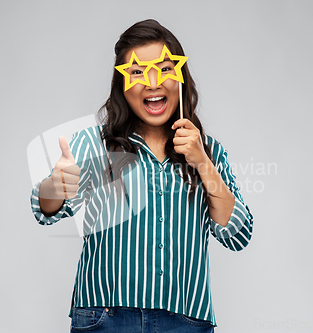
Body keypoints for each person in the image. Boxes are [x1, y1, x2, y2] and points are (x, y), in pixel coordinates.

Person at [31, 19, 253, 333]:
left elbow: (238, 234)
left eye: (164, 69)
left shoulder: (209, 152)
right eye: (137, 72)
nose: (152, 82)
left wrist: (202, 162)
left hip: (185, 320)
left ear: (180, 77)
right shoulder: (94, 143)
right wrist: (56, 185)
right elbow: (45, 210)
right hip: (105, 316)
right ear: (122, 84)